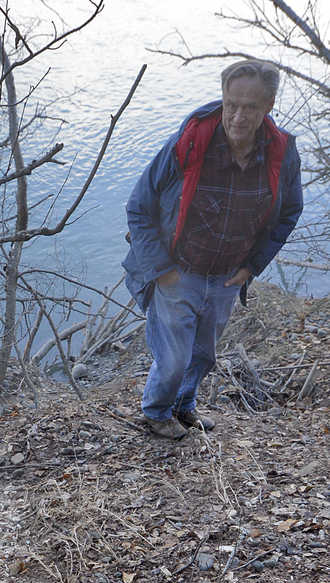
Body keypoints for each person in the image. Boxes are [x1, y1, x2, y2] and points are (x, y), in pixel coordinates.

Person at [122, 59, 303, 439]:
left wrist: (252, 266)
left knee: (203, 356)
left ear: (268, 106)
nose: (238, 115)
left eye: (250, 107)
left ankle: (184, 407)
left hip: (226, 277)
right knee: (172, 360)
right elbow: (139, 206)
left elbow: (289, 212)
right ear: (222, 98)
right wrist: (162, 270)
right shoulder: (189, 143)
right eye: (231, 103)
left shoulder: (281, 152)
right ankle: (156, 412)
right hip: (178, 271)